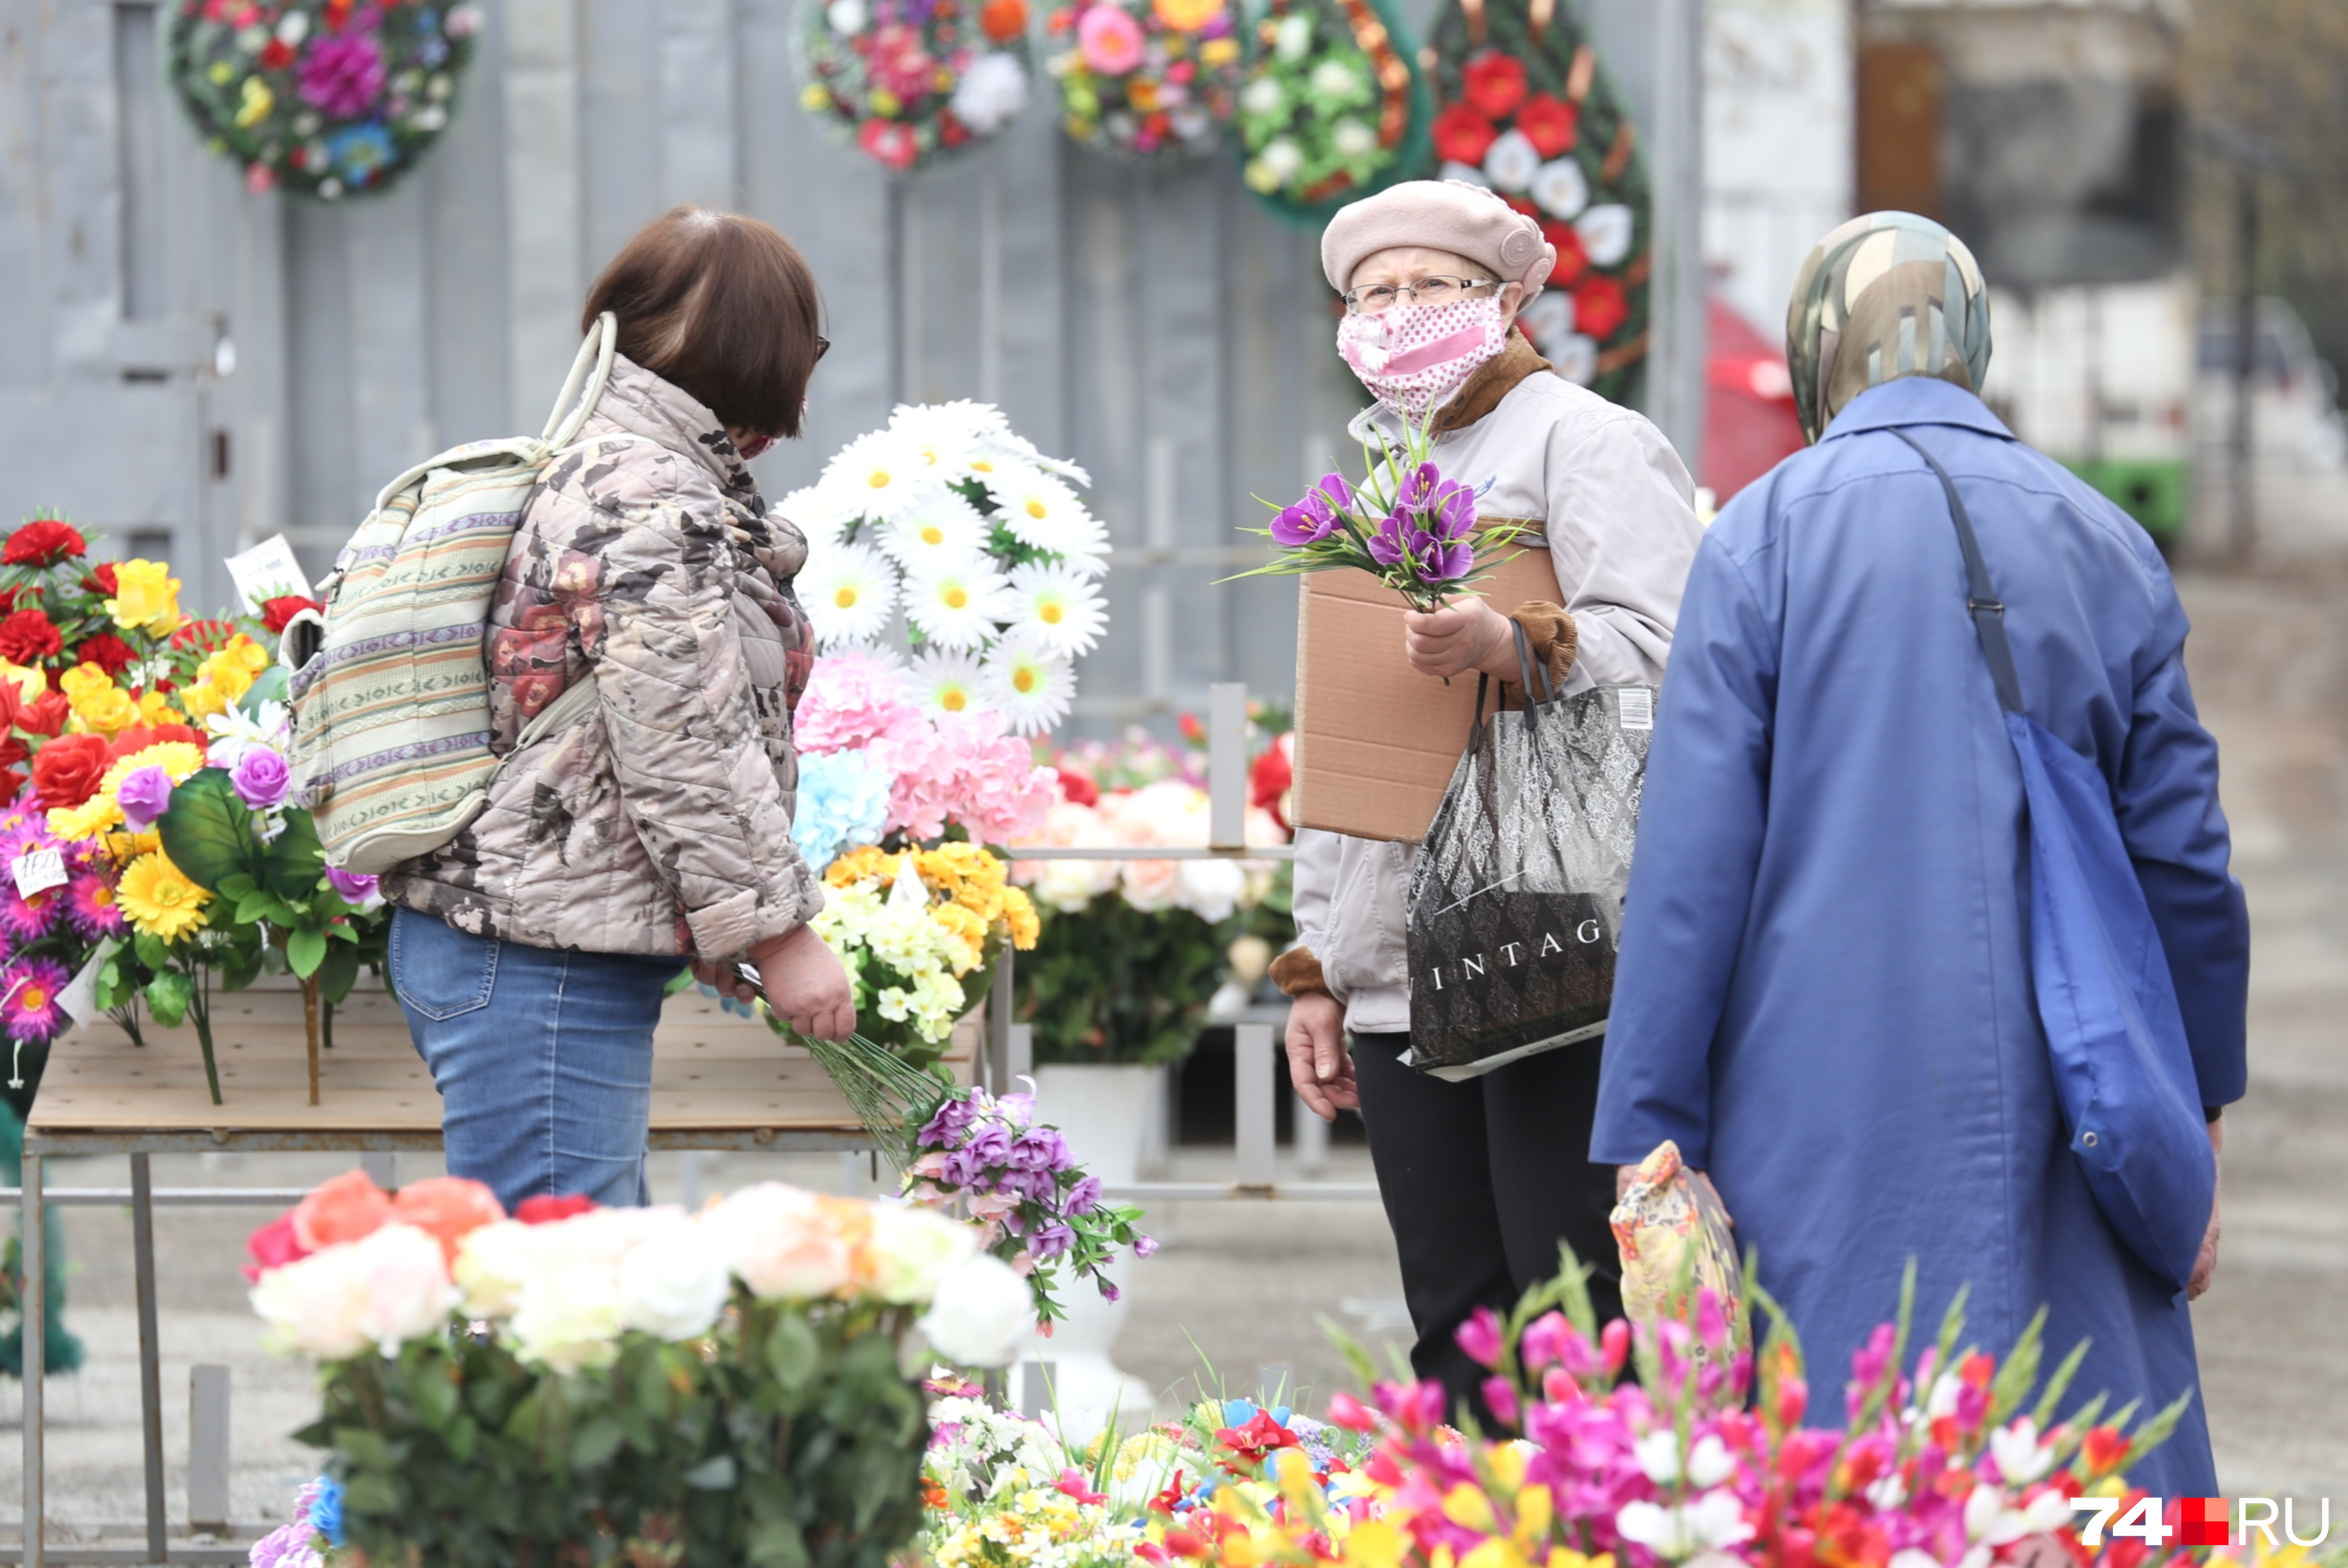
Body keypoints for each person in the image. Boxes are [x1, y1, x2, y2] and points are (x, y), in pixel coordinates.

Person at [1589, 212, 2245, 1495]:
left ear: (1817, 349)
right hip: (2077, 1080)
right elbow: (2183, 858)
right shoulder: (2102, 538)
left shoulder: (1763, 536)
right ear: (1972, 343)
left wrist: (1650, 1123)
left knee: (1836, 1445)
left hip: (1809, 1078)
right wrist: (2196, 1108)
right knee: (2080, 1437)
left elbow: (1689, 864)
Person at [1274, 180, 1705, 1414]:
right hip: (1398, 961)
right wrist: (1318, 965)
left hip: (1550, 946)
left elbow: (1677, 656)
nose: (1397, 312)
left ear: (1509, 299)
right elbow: (1344, 742)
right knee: (1452, 1318)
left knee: (1569, 1297)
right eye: (1373, 294)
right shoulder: (1369, 480)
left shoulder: (1586, 439)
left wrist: (1519, 644)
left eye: (1431, 287)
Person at [384, 207, 856, 1213]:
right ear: (763, 352)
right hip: (539, 958)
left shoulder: (613, 464)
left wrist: (720, 926)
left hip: (526, 943)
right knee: (563, 1310)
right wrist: (778, 936)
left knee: (583, 1296)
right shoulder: (648, 499)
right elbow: (684, 740)